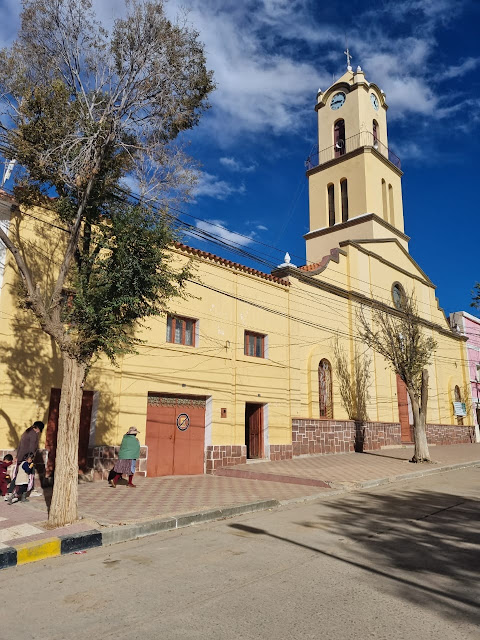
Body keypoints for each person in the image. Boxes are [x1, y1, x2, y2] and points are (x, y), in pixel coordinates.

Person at [7, 421, 44, 498]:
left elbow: (20, 445)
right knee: (27, 475)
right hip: (26, 458)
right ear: (38, 428)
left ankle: (11, 492)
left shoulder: (27, 432)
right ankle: (21, 493)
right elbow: (32, 447)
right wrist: (30, 457)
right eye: (39, 430)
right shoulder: (33, 434)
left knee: (17, 474)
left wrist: (17, 456)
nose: (39, 432)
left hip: (21, 456)